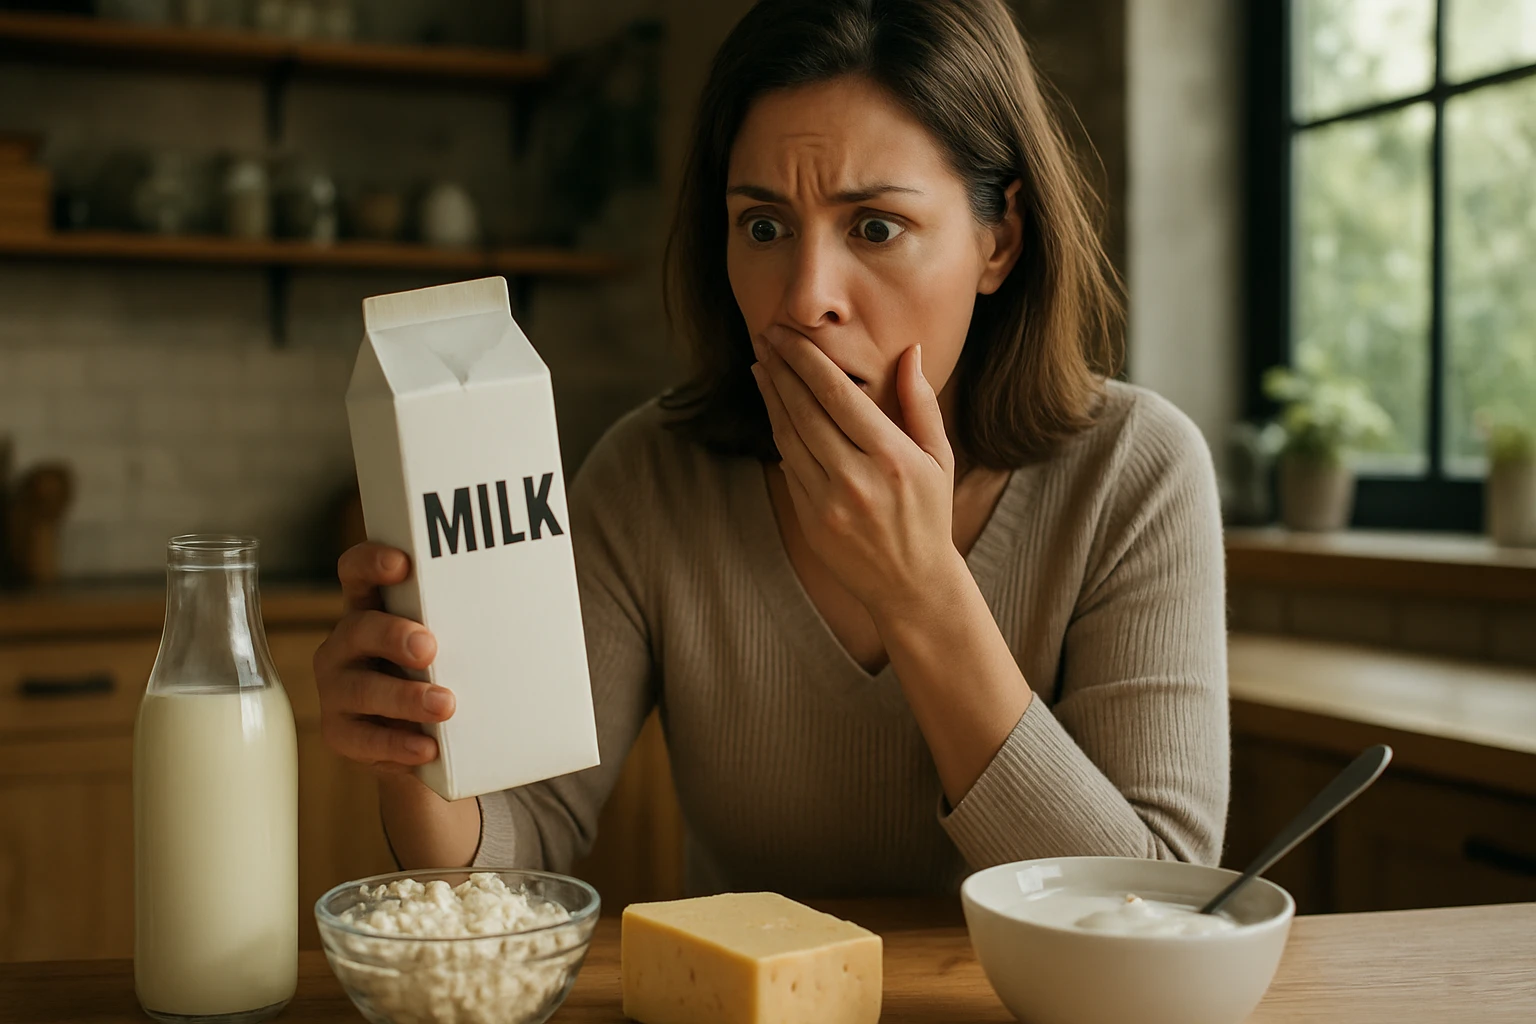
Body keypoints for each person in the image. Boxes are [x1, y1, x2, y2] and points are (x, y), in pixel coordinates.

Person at [313, 0, 1229, 897]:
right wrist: (418, 753)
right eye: (764, 227)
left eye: (875, 227)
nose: (804, 297)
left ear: (1000, 241)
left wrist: (920, 591)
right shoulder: (651, 478)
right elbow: (522, 837)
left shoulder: (1136, 472)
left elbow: (1159, 905)